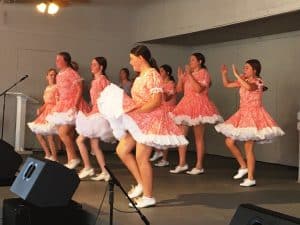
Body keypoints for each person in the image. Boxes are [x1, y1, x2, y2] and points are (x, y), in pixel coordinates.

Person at [98, 45, 188, 208]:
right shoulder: (140, 76)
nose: (130, 62)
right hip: (140, 119)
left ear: (141, 58)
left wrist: (135, 112)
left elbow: (156, 101)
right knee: (122, 150)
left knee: (141, 157)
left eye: (132, 59)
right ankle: (141, 184)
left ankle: (148, 196)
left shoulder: (153, 74)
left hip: (151, 120)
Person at [215, 60, 285, 187]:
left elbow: (249, 88)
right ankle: (243, 166)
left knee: (248, 147)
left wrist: (237, 75)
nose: (244, 70)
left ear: (255, 70)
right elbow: (227, 85)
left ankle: (251, 178)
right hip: (242, 114)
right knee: (229, 141)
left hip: (254, 116)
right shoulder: (244, 81)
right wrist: (224, 74)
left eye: (247, 68)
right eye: (244, 68)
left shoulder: (258, 81)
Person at [170, 53, 223, 175]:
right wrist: (180, 78)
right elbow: (178, 90)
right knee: (181, 136)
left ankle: (199, 166)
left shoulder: (204, 73)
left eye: (193, 60)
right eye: (190, 60)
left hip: (199, 105)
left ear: (200, 61)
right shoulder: (188, 74)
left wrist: (188, 74)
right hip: (186, 105)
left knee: (198, 137)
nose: (190, 62)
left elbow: (199, 89)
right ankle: (182, 163)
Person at [46, 52, 90, 169]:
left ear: (65, 61)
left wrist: (75, 105)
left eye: (58, 60)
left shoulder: (72, 72)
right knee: (66, 133)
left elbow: (80, 88)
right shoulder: (60, 74)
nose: (56, 62)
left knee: (63, 132)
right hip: (63, 105)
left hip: (73, 105)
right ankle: (71, 159)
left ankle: (75, 158)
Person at [76, 57, 114, 181]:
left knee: (80, 140)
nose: (91, 66)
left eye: (94, 64)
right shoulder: (95, 81)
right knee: (94, 145)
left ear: (101, 67)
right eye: (91, 64)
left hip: (99, 114)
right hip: (95, 113)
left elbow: (107, 98)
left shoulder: (103, 80)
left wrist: (98, 112)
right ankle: (104, 172)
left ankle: (88, 167)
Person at [28, 68, 59, 161]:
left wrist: (55, 112)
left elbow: (58, 101)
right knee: (38, 133)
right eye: (51, 75)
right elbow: (47, 102)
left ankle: (55, 158)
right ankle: (48, 154)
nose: (53, 76)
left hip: (52, 111)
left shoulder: (57, 87)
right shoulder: (47, 88)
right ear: (47, 77)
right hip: (46, 111)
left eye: (54, 75)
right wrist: (41, 109)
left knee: (50, 136)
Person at [150, 64, 177, 167]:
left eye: (161, 71)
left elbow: (167, 98)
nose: (160, 73)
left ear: (167, 73)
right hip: (160, 110)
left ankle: (164, 159)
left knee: (165, 135)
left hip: (169, 111)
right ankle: (158, 151)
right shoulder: (160, 83)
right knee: (155, 131)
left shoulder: (171, 83)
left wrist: (161, 89)